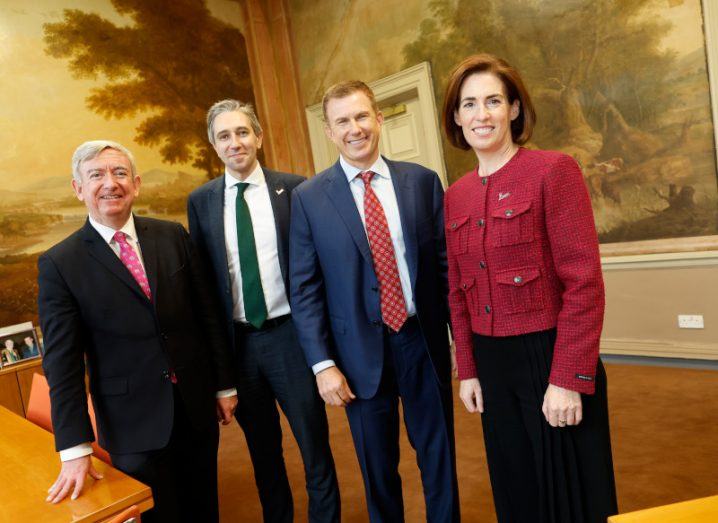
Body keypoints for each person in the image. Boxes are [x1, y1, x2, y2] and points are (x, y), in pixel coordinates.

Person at [442, 54, 618, 523]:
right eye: (469, 104)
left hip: (549, 354)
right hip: (491, 363)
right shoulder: (454, 195)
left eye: (494, 101)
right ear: (456, 117)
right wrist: (469, 369)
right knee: (517, 492)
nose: (482, 114)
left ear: (514, 109)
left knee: (572, 495)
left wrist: (566, 378)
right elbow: (457, 292)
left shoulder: (553, 171)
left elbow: (584, 283)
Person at [37, 140, 237, 522]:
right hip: (132, 426)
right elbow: (61, 364)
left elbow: (207, 316)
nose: (110, 183)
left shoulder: (172, 235)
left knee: (204, 509)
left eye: (119, 172)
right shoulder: (60, 264)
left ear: (136, 183)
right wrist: (75, 447)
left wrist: (223, 385)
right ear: (78, 188)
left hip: (195, 411)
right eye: (96, 175)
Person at [290, 80, 459, 523]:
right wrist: (322, 365)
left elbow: (445, 269)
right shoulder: (308, 199)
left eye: (362, 116)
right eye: (342, 120)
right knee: (378, 469)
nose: (355, 128)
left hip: (421, 342)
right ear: (329, 131)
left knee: (439, 458)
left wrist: (461, 342)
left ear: (378, 119)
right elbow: (304, 289)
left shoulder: (421, 183)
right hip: (357, 357)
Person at [187, 99, 340, 523]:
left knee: (315, 447)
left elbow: (319, 270)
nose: (234, 142)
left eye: (241, 132)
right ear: (213, 146)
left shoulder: (295, 189)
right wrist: (220, 375)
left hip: (291, 338)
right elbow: (205, 289)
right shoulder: (200, 202)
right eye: (224, 136)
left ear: (258, 137)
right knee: (264, 455)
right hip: (241, 349)